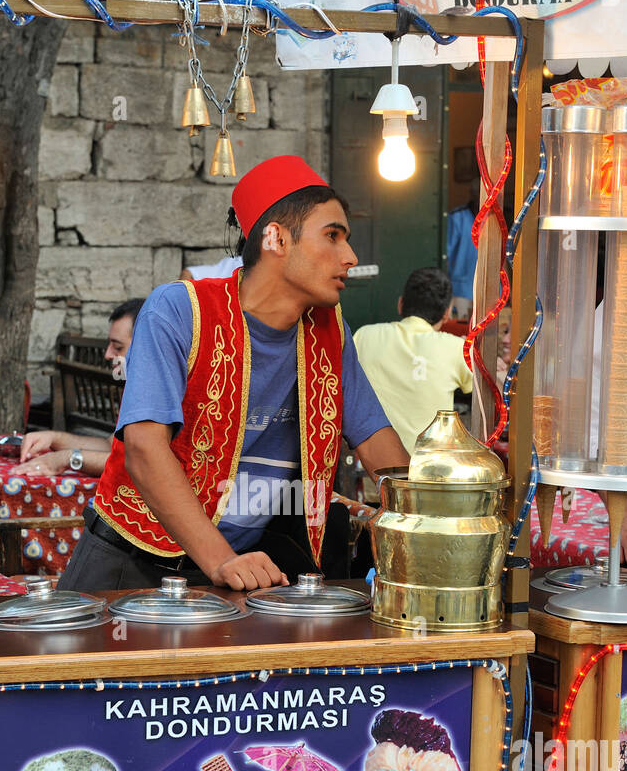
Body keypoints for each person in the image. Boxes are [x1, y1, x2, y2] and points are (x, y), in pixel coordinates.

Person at [58, 154, 408, 592]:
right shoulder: (180, 309)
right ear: (276, 239)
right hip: (133, 562)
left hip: (241, 568)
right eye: (332, 236)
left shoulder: (329, 331)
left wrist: (435, 517)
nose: (351, 257)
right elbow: (144, 450)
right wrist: (221, 561)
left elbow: (376, 442)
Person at [352, 267, 473, 457]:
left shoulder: (364, 336)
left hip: (373, 466)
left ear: (400, 304)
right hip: (431, 472)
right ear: (447, 313)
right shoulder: (458, 348)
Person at [19, 300, 143, 475]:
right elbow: (110, 446)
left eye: (117, 347)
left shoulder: (166, 396)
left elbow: (138, 463)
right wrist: (53, 438)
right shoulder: (136, 390)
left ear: (146, 347)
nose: (107, 355)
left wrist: (68, 458)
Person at [446, 182, 479, 318]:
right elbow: (446, 255)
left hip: (491, 290)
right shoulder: (457, 217)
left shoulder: (496, 217)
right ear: (472, 195)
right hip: (461, 289)